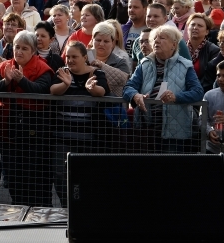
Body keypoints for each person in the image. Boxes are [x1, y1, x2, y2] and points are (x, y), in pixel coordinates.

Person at [0, 31, 54, 206]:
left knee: (35, 177)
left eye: (24, 48)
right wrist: (5, 81)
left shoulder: (43, 68)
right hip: (9, 131)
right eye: (17, 47)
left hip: (34, 131)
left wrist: (22, 81)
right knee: (13, 177)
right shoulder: (5, 66)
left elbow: (42, 90)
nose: (19, 51)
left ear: (33, 51)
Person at [124, 25, 205, 153]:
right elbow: (128, 87)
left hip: (175, 132)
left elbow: (198, 92)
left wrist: (176, 97)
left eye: (162, 38)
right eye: (155, 38)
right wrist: (135, 95)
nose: (156, 41)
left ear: (173, 44)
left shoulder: (185, 65)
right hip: (147, 129)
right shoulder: (144, 64)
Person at [51, 41, 109, 207]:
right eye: (67, 56)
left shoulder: (97, 74)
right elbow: (52, 90)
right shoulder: (62, 72)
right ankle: (66, 207)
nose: (70, 60)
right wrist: (66, 84)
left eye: (74, 56)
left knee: (86, 175)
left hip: (88, 138)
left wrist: (91, 89)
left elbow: (102, 91)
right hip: (62, 137)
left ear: (85, 57)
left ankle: (84, 208)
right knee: (60, 174)